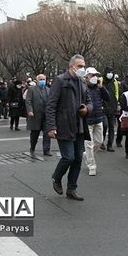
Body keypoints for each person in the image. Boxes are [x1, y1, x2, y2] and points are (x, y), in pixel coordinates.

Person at [46, 54, 92, 201]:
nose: (82, 69)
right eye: (80, 66)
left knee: (78, 159)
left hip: (79, 126)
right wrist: (51, 126)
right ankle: (56, 177)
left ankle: (71, 189)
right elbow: (51, 105)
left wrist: (87, 109)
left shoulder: (82, 83)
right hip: (64, 125)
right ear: (71, 66)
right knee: (68, 157)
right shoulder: (60, 81)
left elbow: (90, 102)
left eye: (83, 66)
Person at [84, 67, 109, 175]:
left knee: (99, 141)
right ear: (87, 76)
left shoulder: (99, 87)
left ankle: (87, 155)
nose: (94, 77)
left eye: (95, 75)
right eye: (92, 75)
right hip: (87, 119)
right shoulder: (83, 87)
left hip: (98, 117)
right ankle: (91, 166)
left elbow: (108, 97)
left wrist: (102, 87)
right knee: (89, 144)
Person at [25, 74, 52, 156]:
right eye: (41, 79)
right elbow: (28, 101)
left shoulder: (48, 90)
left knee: (47, 134)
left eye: (44, 79)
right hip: (35, 115)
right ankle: (32, 148)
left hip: (46, 116)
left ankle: (46, 150)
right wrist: (30, 110)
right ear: (37, 80)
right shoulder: (31, 89)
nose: (42, 81)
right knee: (34, 134)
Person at [102, 66, 121, 152]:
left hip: (112, 107)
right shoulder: (101, 80)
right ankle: (101, 141)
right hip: (103, 107)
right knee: (104, 125)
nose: (110, 74)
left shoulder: (115, 82)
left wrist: (117, 104)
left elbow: (117, 94)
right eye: (109, 72)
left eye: (111, 72)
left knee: (112, 127)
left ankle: (110, 144)